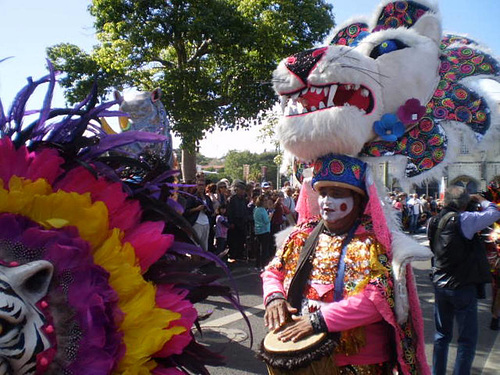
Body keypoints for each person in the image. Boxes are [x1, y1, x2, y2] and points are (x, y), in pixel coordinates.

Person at [261, 154, 429, 374]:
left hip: (361, 361)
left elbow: (378, 298)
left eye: (337, 194)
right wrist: (274, 298)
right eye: (322, 193)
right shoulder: (302, 235)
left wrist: (320, 321)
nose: (326, 201)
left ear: (358, 200)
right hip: (305, 353)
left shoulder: (374, 241)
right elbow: (273, 271)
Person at [427, 186, 500, 375]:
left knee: (441, 335)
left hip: (441, 283)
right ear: (465, 202)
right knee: (466, 340)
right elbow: (493, 213)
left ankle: (438, 372)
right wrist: (481, 200)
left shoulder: (433, 220)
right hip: (462, 284)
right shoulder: (465, 220)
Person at [183, 174, 214, 251]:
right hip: (197, 223)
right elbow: (186, 211)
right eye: (199, 185)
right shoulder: (192, 197)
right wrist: (196, 209)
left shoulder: (207, 198)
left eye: (203, 185)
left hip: (206, 223)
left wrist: (207, 210)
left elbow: (212, 211)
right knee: (195, 245)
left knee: (204, 246)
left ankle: (204, 261)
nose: (201, 187)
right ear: (196, 186)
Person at [227, 179, 249, 261]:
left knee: (241, 239)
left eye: (244, 189)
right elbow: (230, 211)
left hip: (242, 221)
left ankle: (240, 254)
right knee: (234, 239)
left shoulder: (244, 199)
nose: (243, 191)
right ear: (237, 190)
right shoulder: (232, 199)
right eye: (241, 189)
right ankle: (233, 254)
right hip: (235, 221)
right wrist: (231, 222)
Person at [253, 195, 272, 270]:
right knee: (264, 249)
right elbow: (266, 221)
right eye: (265, 200)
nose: (267, 202)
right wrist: (270, 216)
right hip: (264, 231)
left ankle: (257, 265)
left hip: (258, 231)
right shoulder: (262, 210)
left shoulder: (255, 209)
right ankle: (263, 265)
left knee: (258, 249)